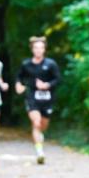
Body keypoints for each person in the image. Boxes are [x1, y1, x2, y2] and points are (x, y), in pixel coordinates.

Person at [14, 36, 60, 165]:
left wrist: (47, 85)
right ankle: (40, 152)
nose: (38, 50)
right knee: (36, 122)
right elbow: (19, 78)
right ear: (32, 49)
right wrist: (18, 85)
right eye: (36, 48)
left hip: (47, 99)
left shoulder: (50, 64)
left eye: (41, 47)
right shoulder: (26, 64)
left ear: (44, 49)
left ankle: (39, 138)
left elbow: (58, 79)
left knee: (43, 126)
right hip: (32, 97)